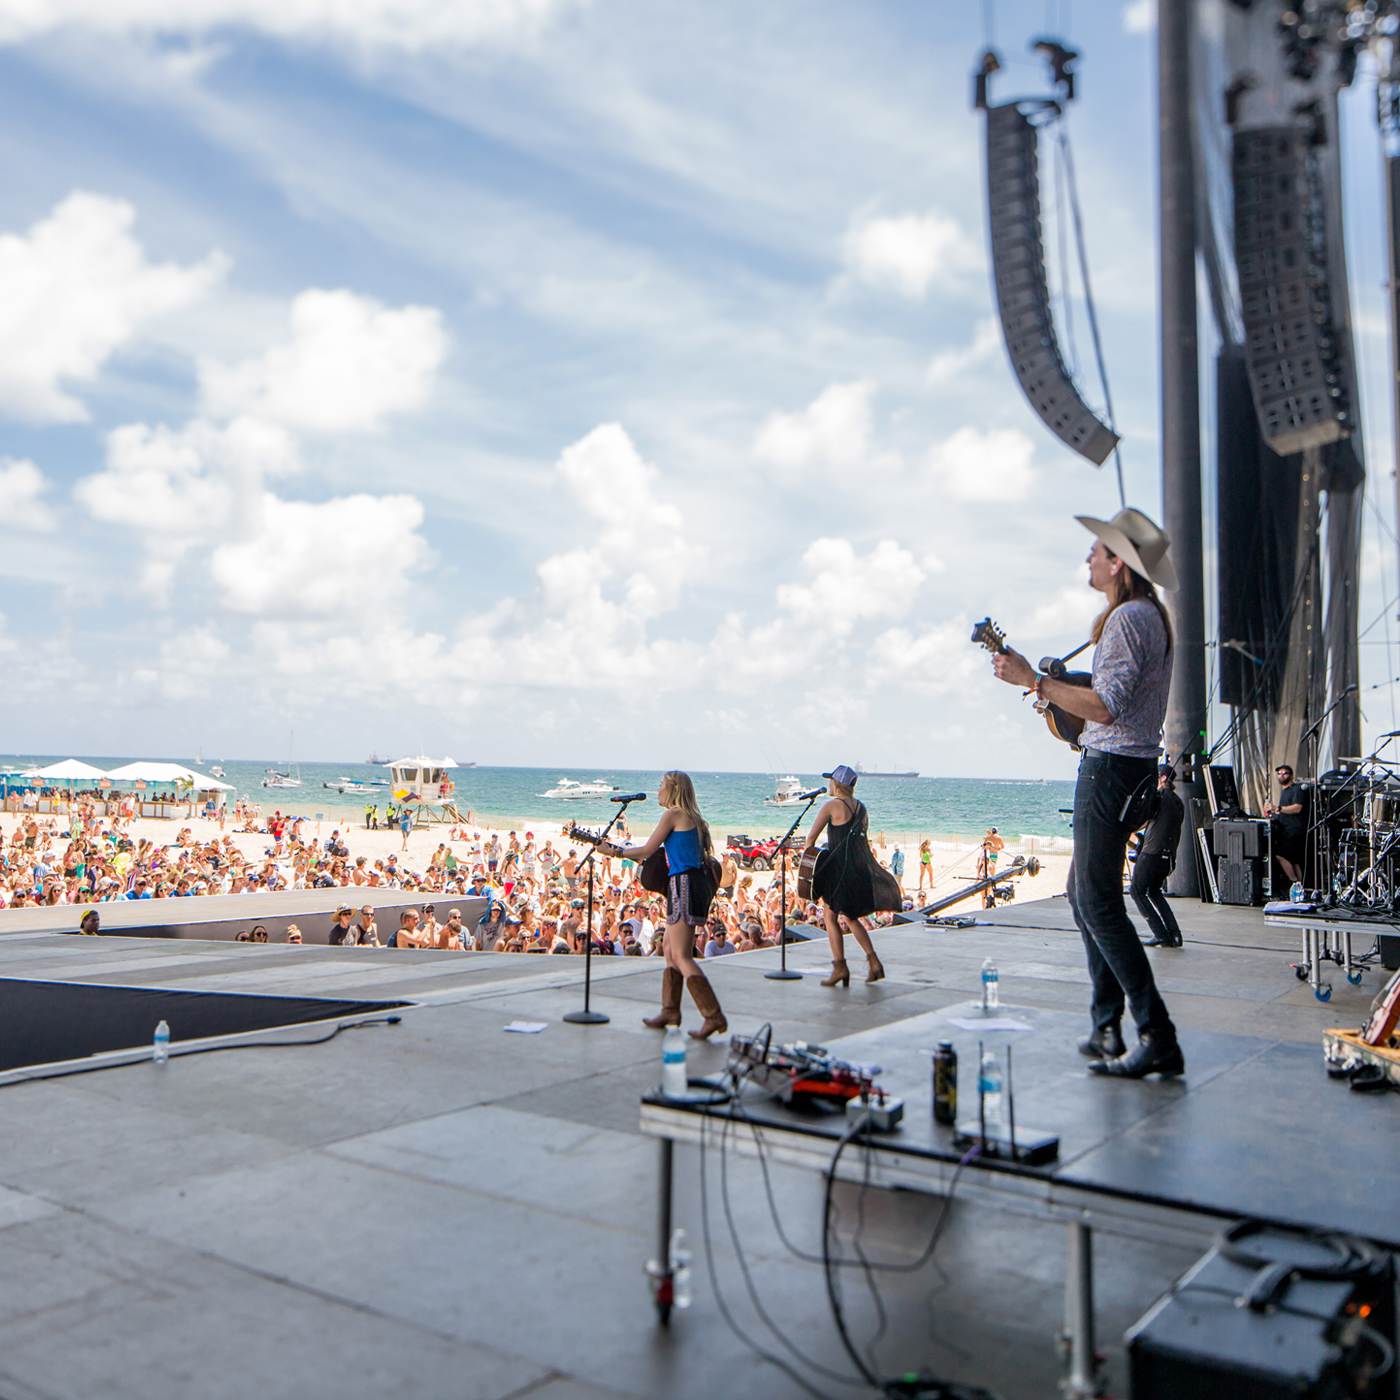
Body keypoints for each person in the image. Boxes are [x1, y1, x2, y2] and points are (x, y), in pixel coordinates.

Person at [991, 506, 1184, 1079]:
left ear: (1119, 562)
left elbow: (1107, 706)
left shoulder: (1128, 619)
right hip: (1127, 768)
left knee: (1098, 902)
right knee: (1083, 892)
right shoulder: (1147, 616)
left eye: (1097, 550)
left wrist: (1034, 681)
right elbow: (1104, 704)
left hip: (1112, 771)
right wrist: (1054, 695)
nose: (1088, 558)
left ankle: (1156, 1034)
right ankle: (1105, 1025)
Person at [610, 771, 726, 1039]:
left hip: (683, 885)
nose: (658, 790)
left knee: (682, 955)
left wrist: (615, 852)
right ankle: (670, 1010)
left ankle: (713, 1015)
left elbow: (647, 850)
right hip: (689, 885)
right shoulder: (695, 819)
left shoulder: (672, 815)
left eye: (661, 785)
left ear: (673, 789)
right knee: (669, 949)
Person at [804, 764, 901, 987]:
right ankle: (874, 962)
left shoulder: (831, 806)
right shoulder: (861, 808)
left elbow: (810, 841)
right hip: (858, 870)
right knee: (849, 916)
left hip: (838, 873)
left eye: (831, 781)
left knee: (830, 917)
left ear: (836, 784)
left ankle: (840, 967)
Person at [1133, 766, 1184, 948]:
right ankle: (1175, 935)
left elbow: (1140, 817)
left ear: (1162, 778)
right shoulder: (1178, 802)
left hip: (1152, 854)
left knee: (1136, 891)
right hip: (1168, 857)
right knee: (1154, 892)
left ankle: (1160, 934)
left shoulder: (1160, 798)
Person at [1264, 762, 1308, 888]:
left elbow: (1297, 808)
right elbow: (1282, 812)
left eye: (1285, 773)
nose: (1282, 775)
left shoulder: (1297, 790)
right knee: (1294, 860)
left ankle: (1294, 883)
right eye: (1279, 773)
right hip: (1286, 829)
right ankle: (1300, 887)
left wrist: (1277, 808)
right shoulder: (1284, 792)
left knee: (1281, 855)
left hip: (1294, 830)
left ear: (1291, 775)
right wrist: (1271, 814)